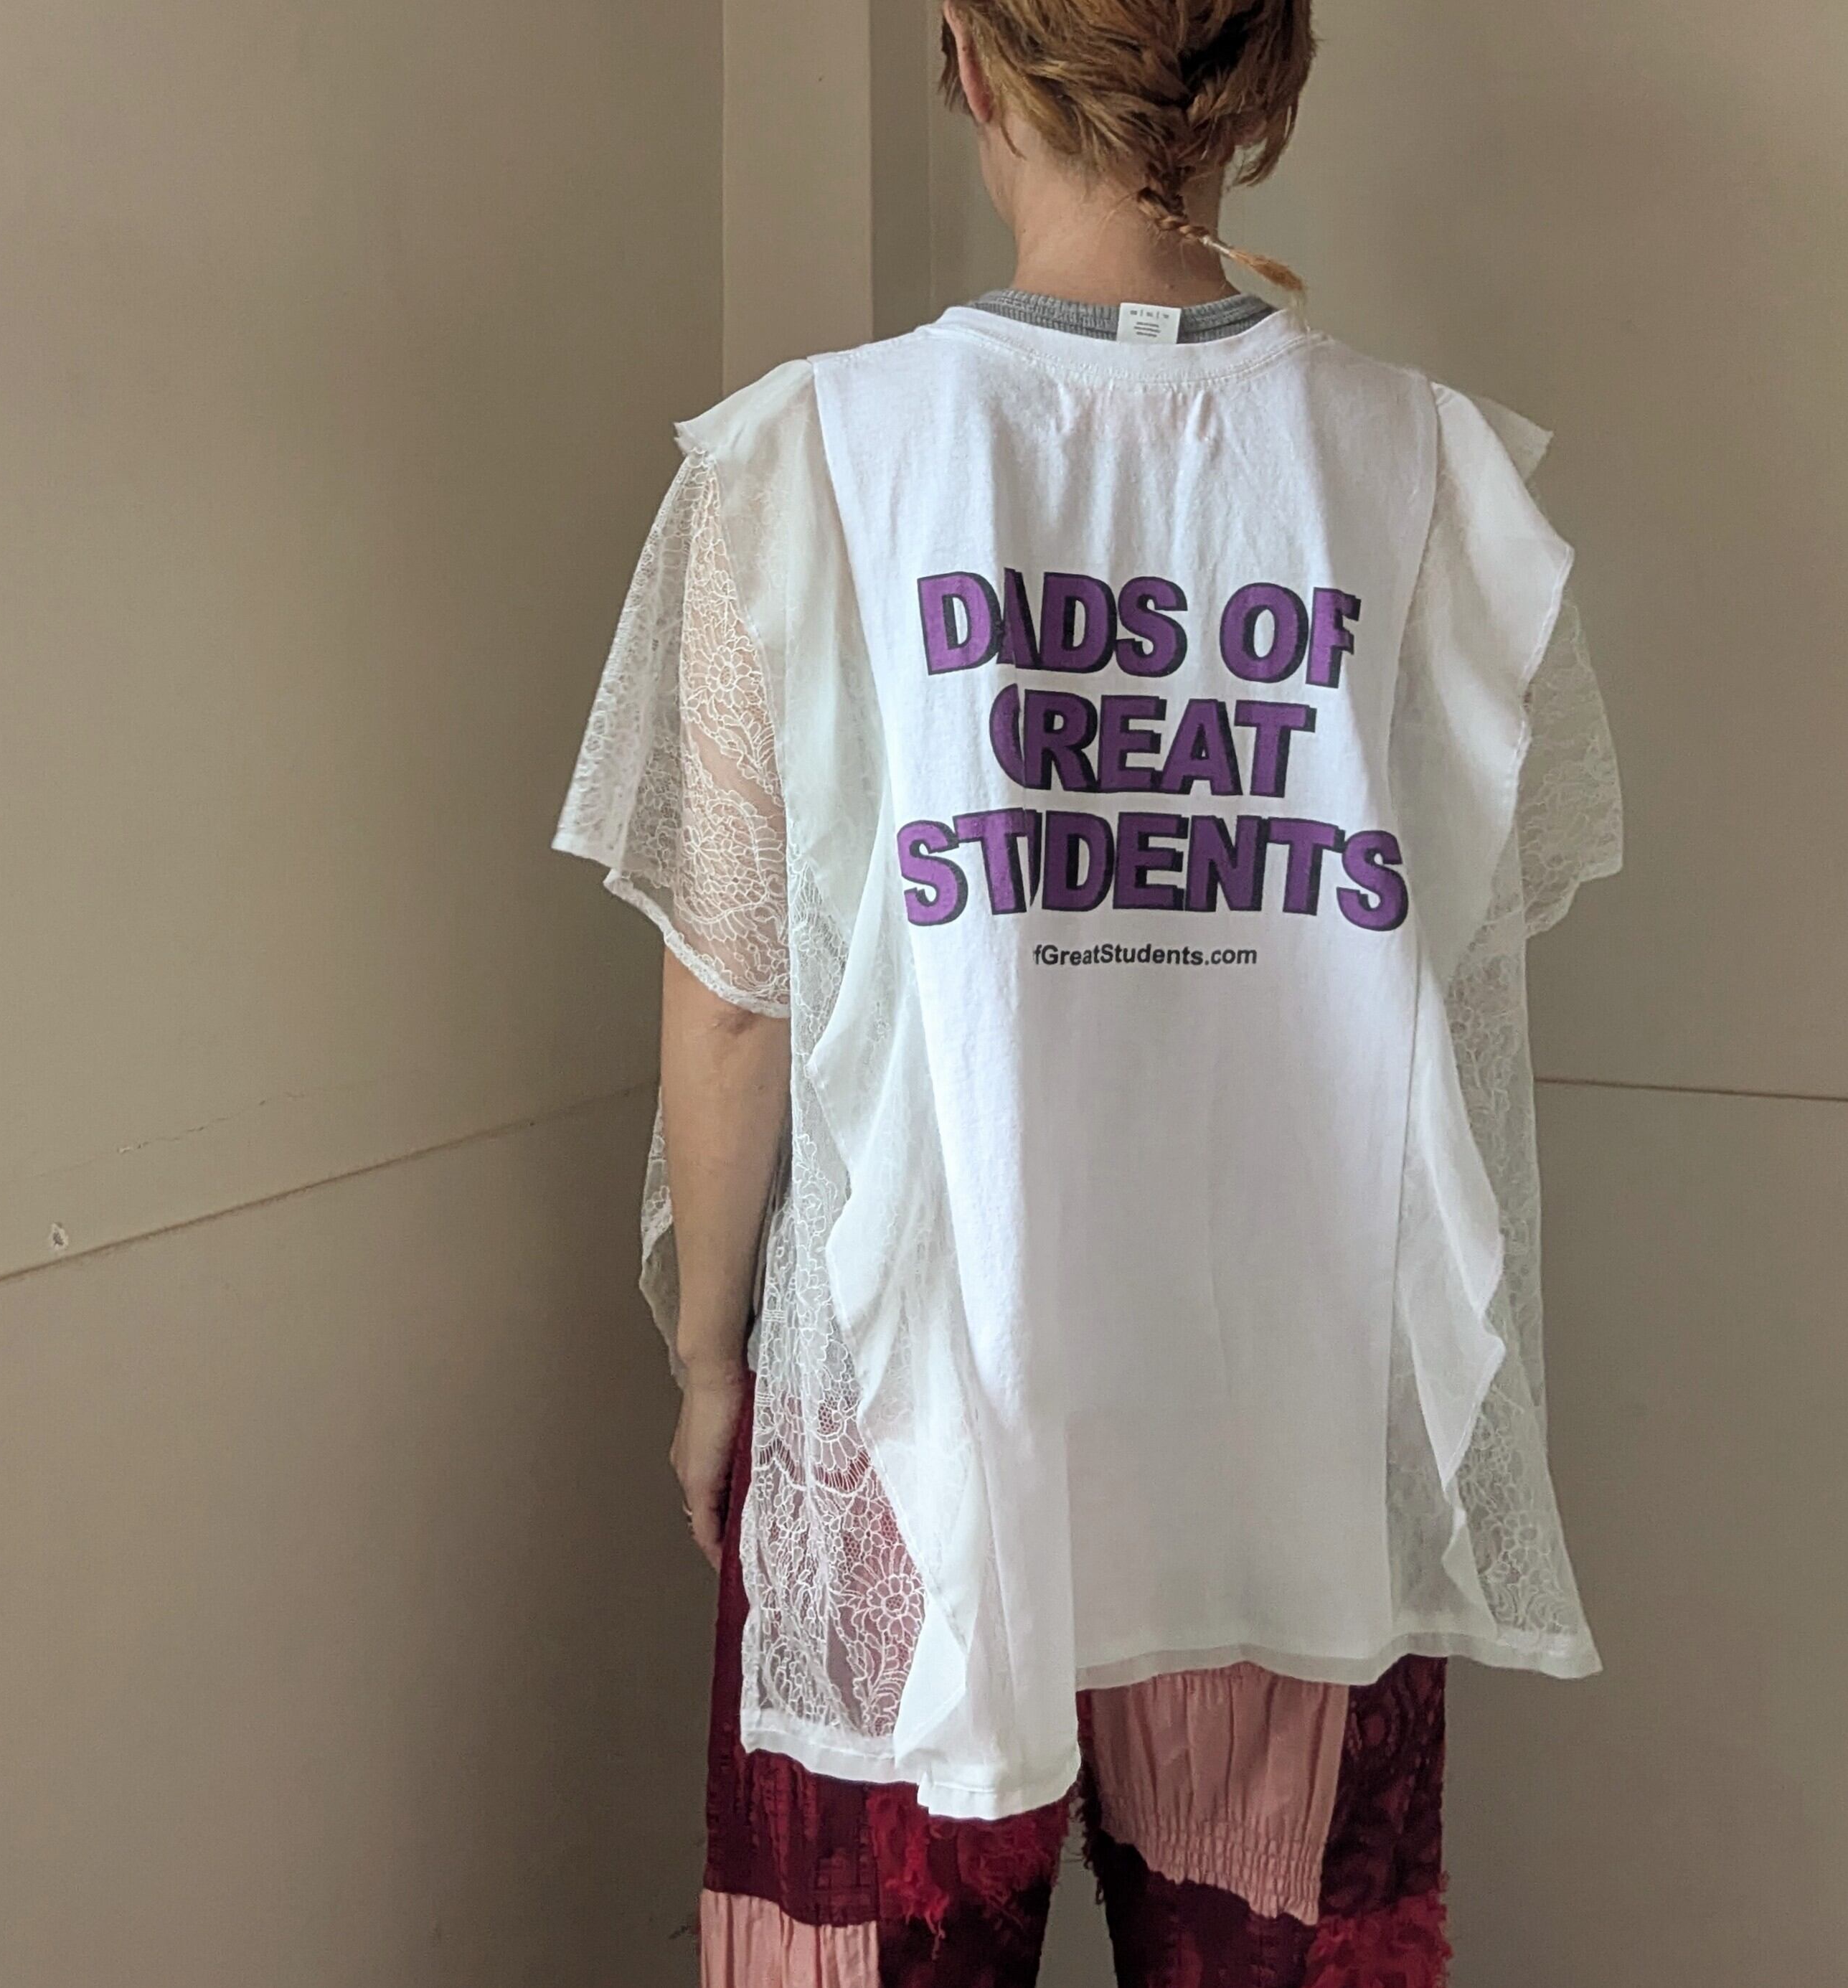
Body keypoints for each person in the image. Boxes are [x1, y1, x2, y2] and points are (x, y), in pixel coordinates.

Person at [557, 1, 1622, 1979]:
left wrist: (714, 1367)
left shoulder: (803, 461)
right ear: (1267, 84)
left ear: (971, 64)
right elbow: (1454, 964)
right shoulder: (1433, 472)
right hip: (1289, 1435)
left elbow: (737, 998)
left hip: (911, 1424)